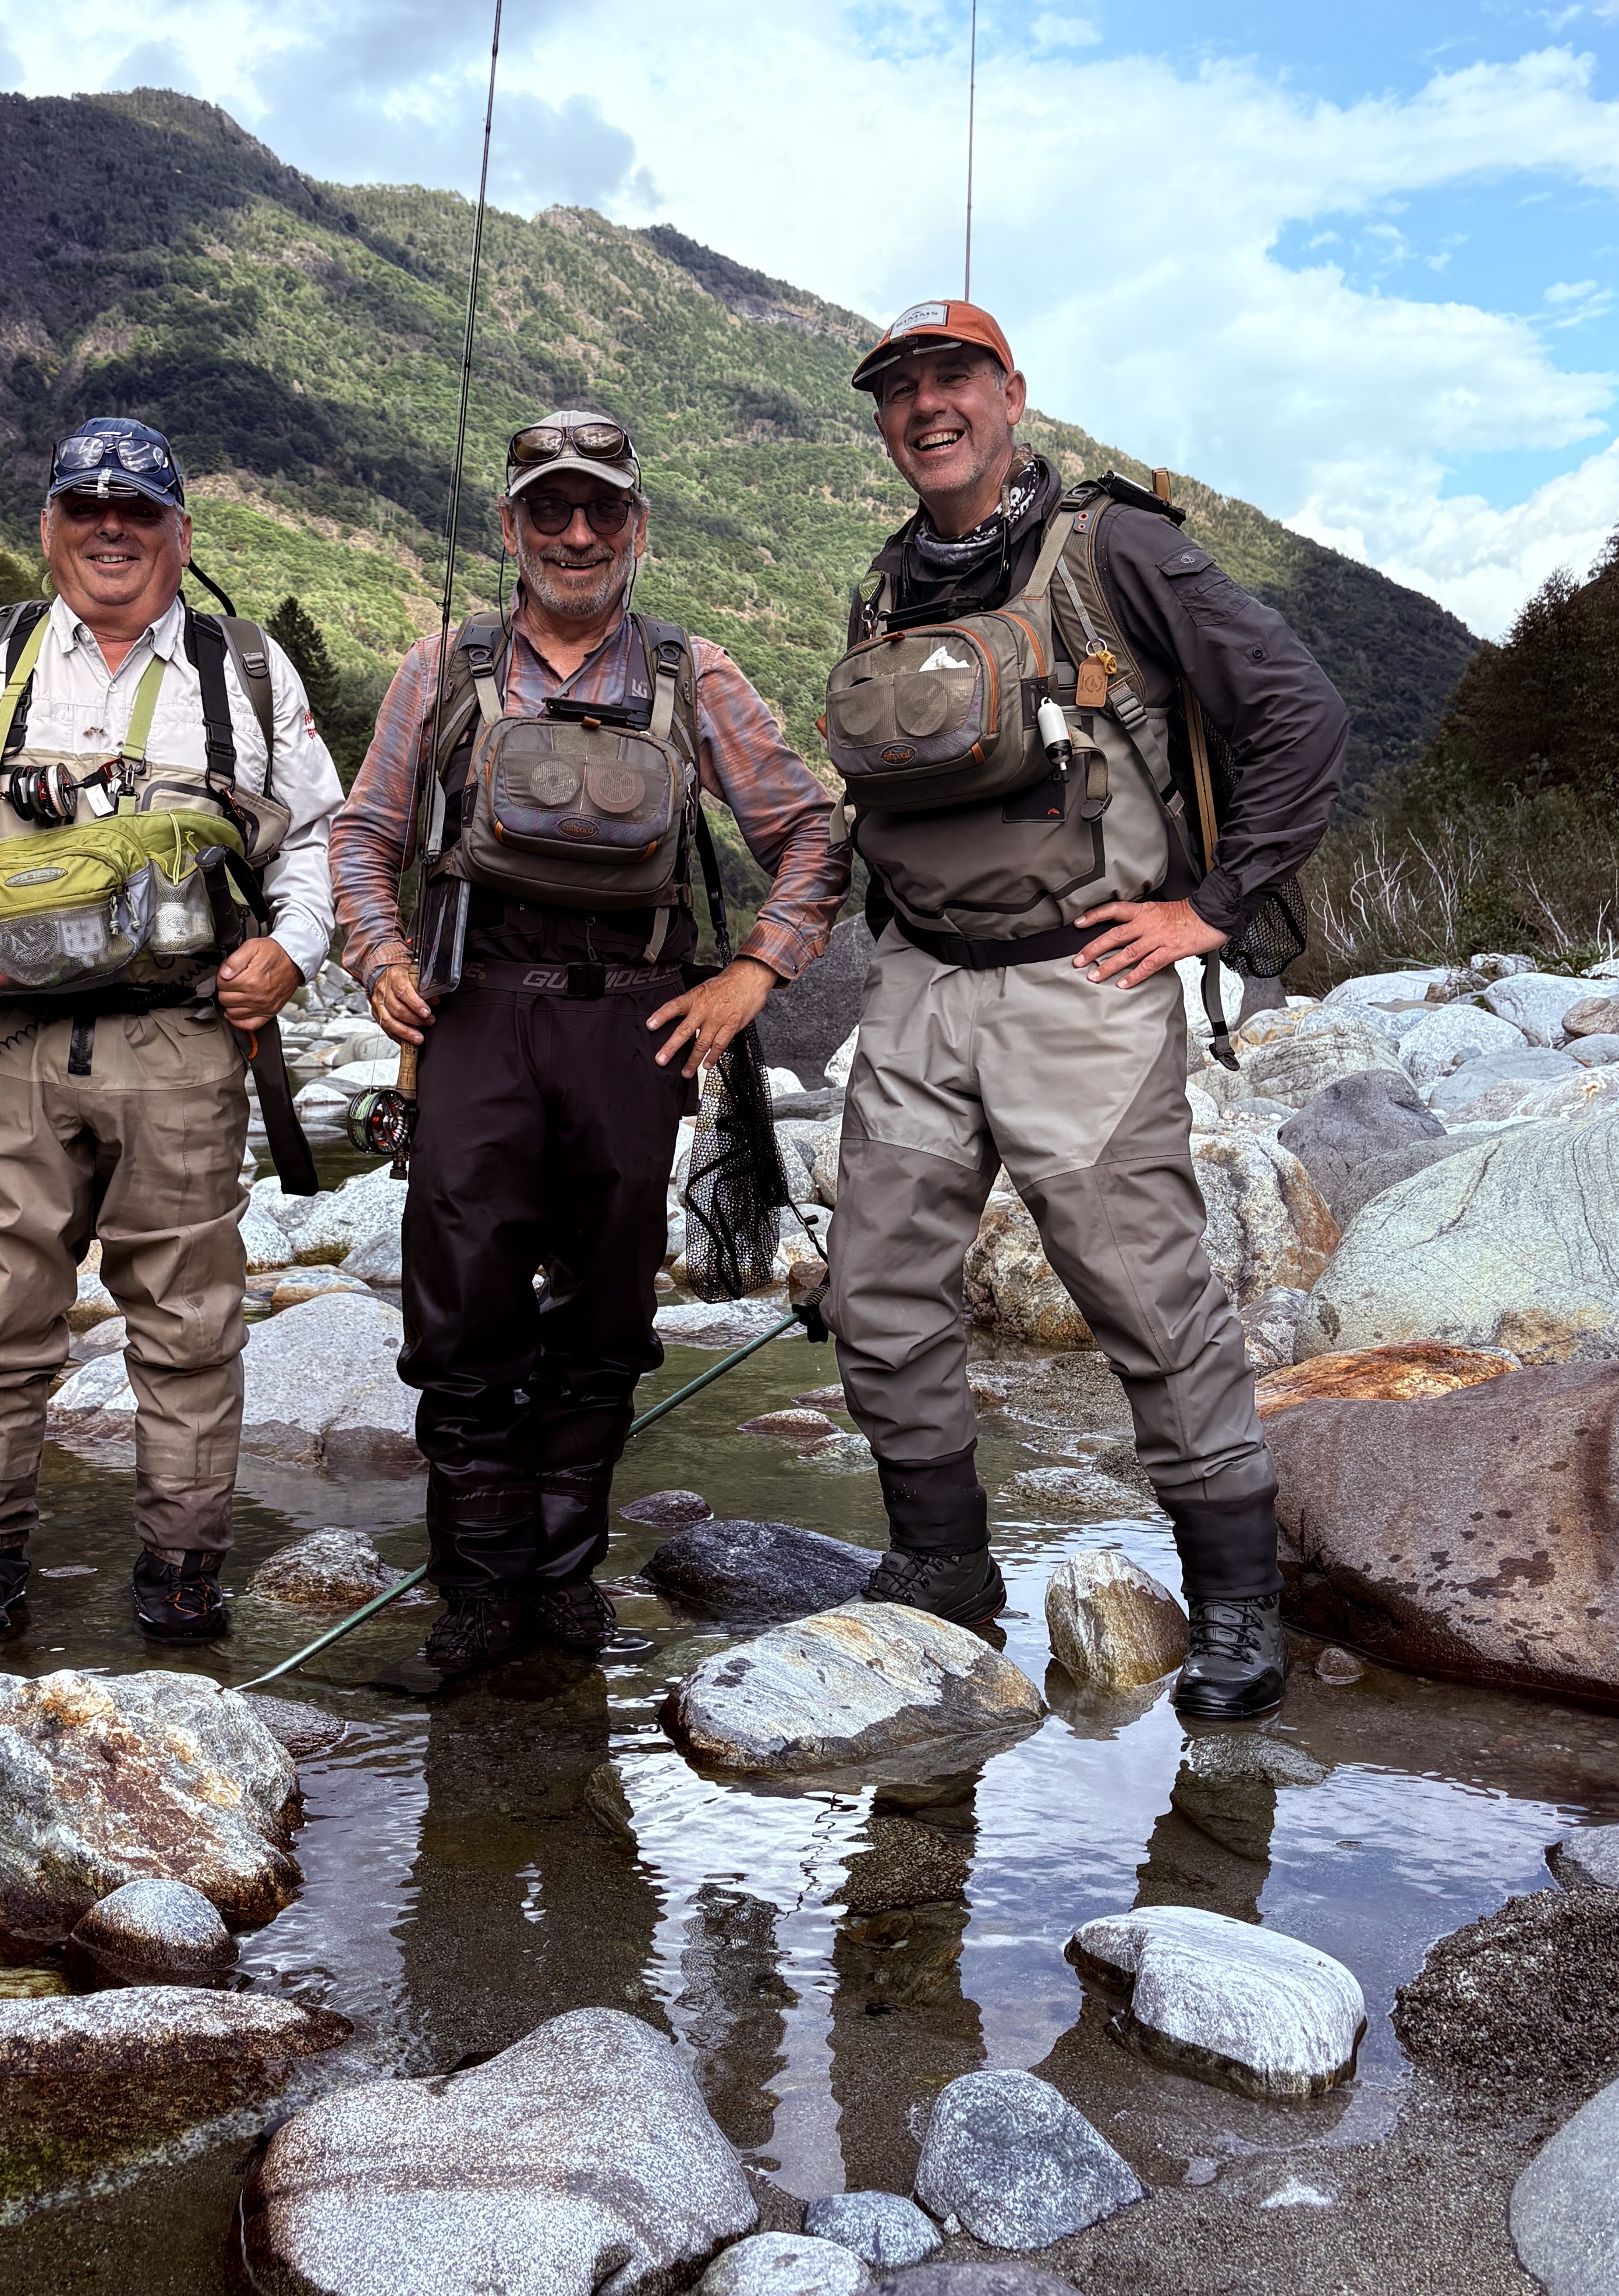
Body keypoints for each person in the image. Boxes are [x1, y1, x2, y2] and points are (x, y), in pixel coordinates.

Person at [821, 303, 1348, 1719]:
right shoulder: (885, 587)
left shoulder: (1120, 552)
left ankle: (1237, 1604)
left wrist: (1217, 908)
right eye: (903, 390)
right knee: (877, 1289)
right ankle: (942, 1566)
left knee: (1151, 1301)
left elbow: (1301, 714)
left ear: (1013, 397)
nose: (929, 407)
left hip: (1085, 981)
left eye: (956, 381)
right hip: (920, 984)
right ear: (885, 420)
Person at [331, 406, 847, 1672]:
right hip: (474, 1016)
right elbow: (360, 836)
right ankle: (475, 1592)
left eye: (600, 510)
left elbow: (812, 833)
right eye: (550, 510)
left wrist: (752, 976)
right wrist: (380, 956)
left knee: (610, 1312)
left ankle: (564, 1584)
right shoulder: (441, 672)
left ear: (637, 528)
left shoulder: (693, 676)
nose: (575, 533)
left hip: (638, 1025)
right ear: (511, 527)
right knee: (461, 1312)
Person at [0, 416, 342, 1642]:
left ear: (181, 537)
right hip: (1, 1044)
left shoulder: (247, 673)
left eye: (138, 510)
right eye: (86, 509)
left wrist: (290, 952)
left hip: (181, 1039)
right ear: (50, 532)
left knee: (188, 1324)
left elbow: (324, 840)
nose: (111, 528)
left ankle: (181, 1567)